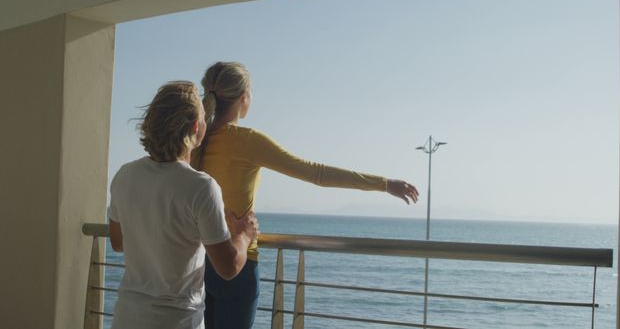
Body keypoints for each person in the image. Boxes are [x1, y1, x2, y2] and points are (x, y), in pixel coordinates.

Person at [192, 62, 420, 329]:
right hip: (237, 267)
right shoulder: (247, 140)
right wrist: (384, 184)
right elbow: (316, 174)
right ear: (244, 98)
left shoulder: (196, 140)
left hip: (202, 264)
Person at [108, 81, 259, 329]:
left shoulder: (125, 176)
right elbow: (228, 267)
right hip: (177, 321)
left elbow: (117, 241)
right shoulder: (201, 187)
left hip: (127, 318)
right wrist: (243, 235)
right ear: (196, 127)